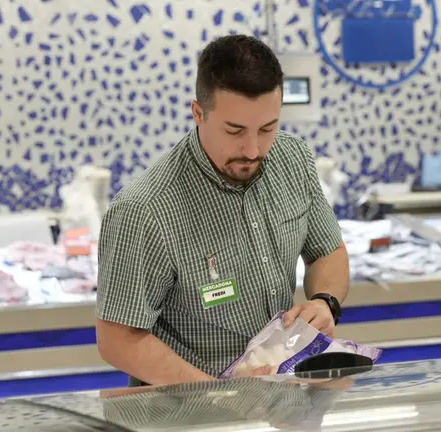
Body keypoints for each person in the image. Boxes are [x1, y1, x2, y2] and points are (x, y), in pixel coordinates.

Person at [95, 34, 349, 387]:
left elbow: (327, 251)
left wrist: (325, 302)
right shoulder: (144, 210)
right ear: (198, 113)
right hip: (189, 411)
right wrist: (219, 396)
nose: (252, 149)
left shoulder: (293, 159)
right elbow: (118, 341)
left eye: (267, 128)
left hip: (279, 399)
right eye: (235, 130)